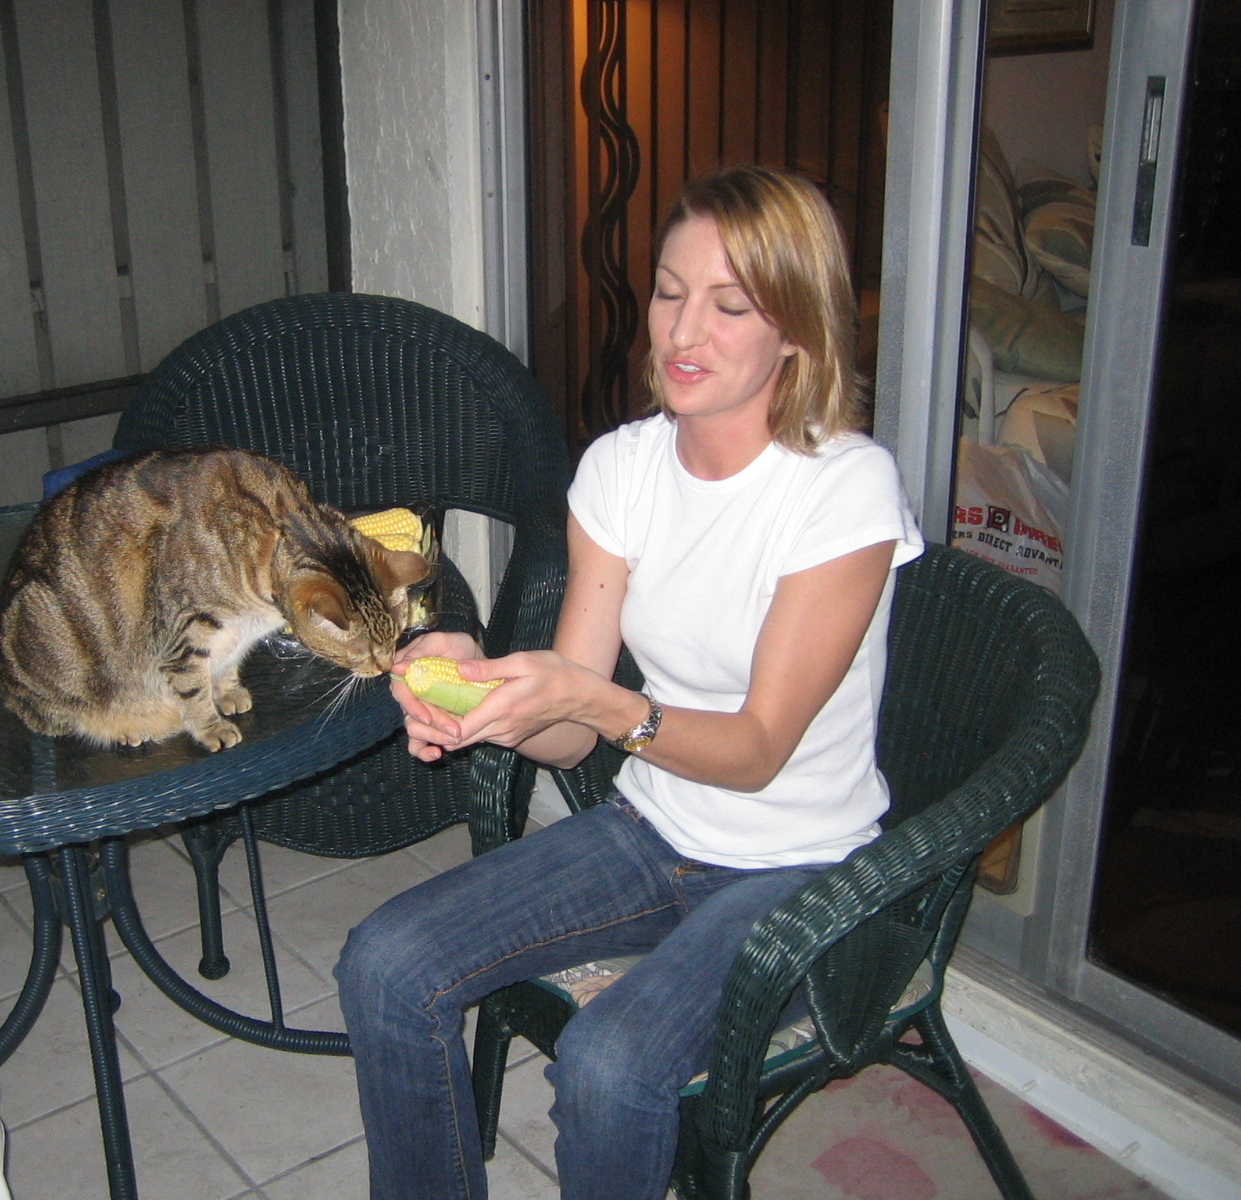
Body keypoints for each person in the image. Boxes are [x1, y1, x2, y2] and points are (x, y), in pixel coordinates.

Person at [335, 164, 924, 1200]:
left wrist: (593, 704)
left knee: (611, 1065)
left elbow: (752, 750)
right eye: (668, 291)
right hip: (651, 833)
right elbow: (567, 727)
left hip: (802, 870)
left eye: (730, 304)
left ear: (797, 331)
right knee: (385, 963)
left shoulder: (843, 489)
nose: (683, 332)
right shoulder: (619, 468)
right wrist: (480, 691)